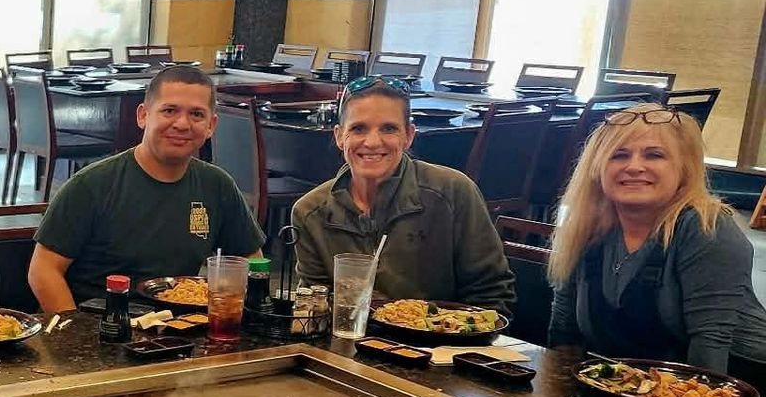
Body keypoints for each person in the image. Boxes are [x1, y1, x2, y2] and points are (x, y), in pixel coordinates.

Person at [549, 104, 766, 385]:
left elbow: (710, 348)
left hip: (737, 391)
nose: (634, 166)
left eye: (654, 155)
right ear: (597, 167)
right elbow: (564, 330)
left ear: (684, 168)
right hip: (636, 389)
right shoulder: (586, 226)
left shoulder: (705, 228)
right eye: (619, 155)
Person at [29, 64, 264, 311]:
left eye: (197, 115)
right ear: (143, 115)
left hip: (181, 329)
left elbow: (251, 261)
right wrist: (73, 334)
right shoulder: (91, 185)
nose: (182, 124)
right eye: (169, 110)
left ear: (211, 126)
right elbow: (43, 271)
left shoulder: (217, 185)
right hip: (101, 326)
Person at [290, 76, 515, 311]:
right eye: (358, 128)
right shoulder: (309, 212)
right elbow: (314, 305)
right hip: (347, 342)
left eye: (389, 129)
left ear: (408, 136)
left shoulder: (453, 192)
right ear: (339, 136)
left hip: (444, 343)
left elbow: (492, 295)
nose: (373, 142)